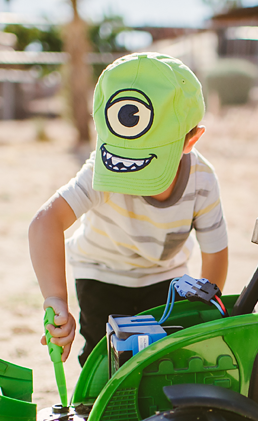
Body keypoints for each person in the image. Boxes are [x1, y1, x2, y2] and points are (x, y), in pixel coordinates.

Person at [29, 52, 228, 365]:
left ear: (191, 140)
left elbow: (215, 250)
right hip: (102, 274)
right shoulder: (103, 171)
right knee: (106, 361)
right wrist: (56, 299)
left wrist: (208, 308)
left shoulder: (202, 179)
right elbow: (45, 223)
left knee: (166, 360)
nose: (133, 182)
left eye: (150, 170)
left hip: (167, 278)